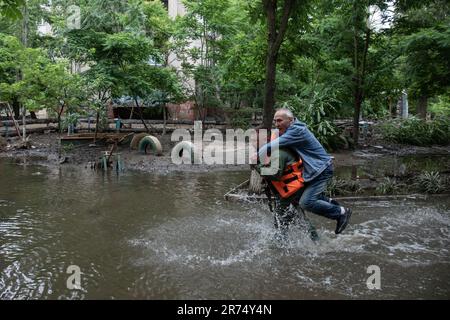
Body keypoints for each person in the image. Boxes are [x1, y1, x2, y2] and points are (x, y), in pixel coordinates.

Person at [258, 108, 352, 235]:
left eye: (279, 121)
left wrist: (256, 158)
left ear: (290, 120)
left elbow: (271, 148)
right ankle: (329, 203)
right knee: (303, 199)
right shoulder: (292, 130)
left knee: (306, 202)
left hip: (320, 170)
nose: (276, 124)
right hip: (313, 170)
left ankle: (340, 213)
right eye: (275, 121)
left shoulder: (296, 131)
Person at [256, 145, 319, 243]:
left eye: (256, 140)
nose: (253, 143)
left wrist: (257, 166)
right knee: (298, 217)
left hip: (292, 191)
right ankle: (315, 240)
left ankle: (281, 245)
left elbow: (275, 174)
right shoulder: (274, 151)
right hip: (293, 190)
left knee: (280, 219)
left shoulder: (278, 153)